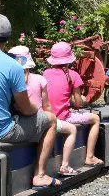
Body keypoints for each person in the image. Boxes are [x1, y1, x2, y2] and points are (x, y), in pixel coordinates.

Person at [0, 14, 61, 189]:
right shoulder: (13, 66)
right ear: (7, 37)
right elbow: (26, 109)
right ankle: (40, 175)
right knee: (51, 120)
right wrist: (36, 109)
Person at [8, 45, 79, 176]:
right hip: (38, 122)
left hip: (17, 122)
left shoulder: (8, 81)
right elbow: (47, 107)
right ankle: (64, 166)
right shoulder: (39, 79)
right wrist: (54, 120)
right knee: (72, 129)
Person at [43, 42, 103, 167]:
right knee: (95, 118)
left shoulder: (45, 73)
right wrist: (82, 100)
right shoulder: (73, 75)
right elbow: (78, 104)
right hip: (63, 117)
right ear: (69, 59)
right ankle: (90, 156)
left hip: (47, 116)